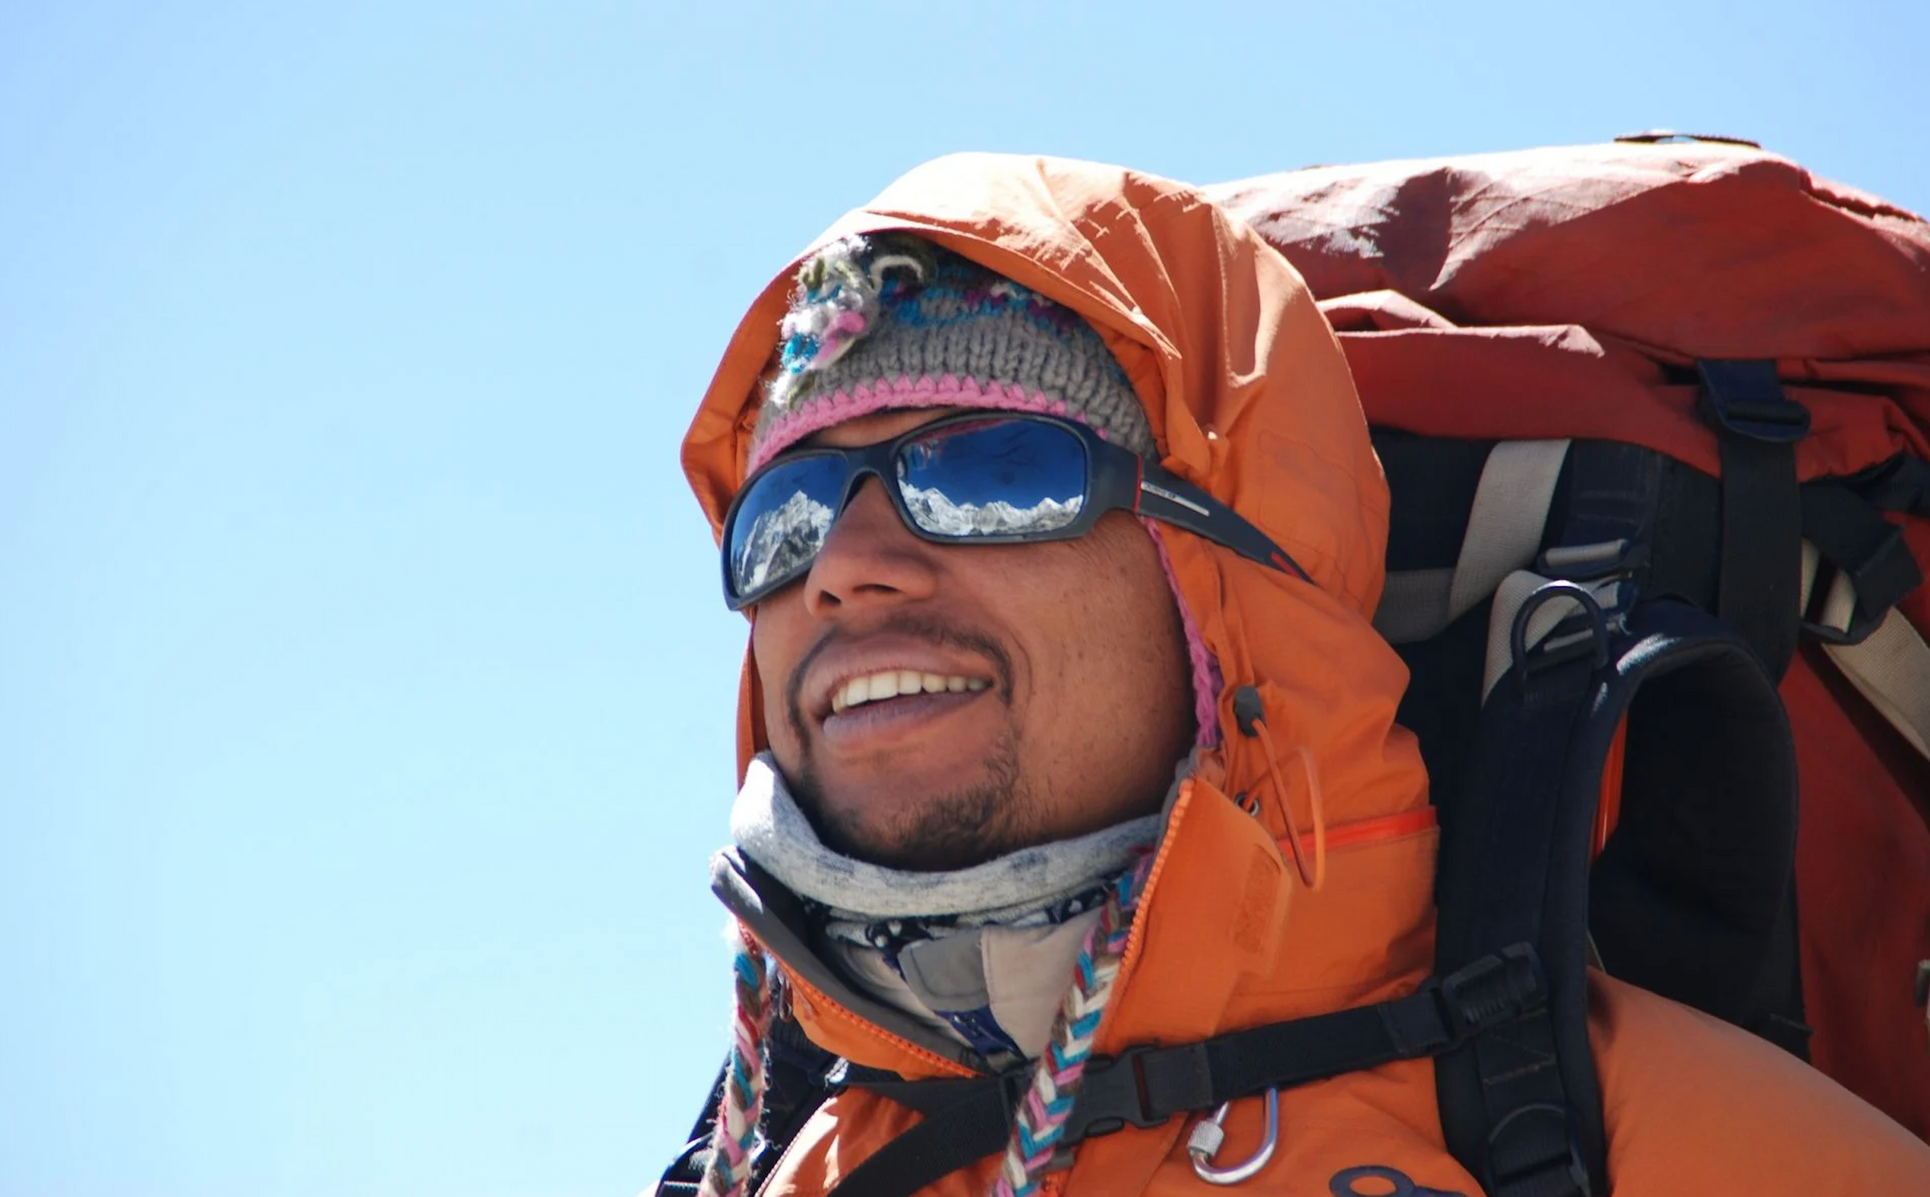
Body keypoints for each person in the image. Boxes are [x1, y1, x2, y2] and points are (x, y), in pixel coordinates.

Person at [669, 154, 1930, 1196]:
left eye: (992, 477)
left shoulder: (1666, 1146)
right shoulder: (766, 1167)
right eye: (785, 513)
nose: (842, 566)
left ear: (1219, 583)